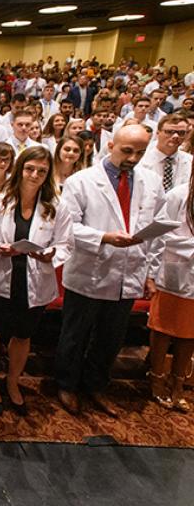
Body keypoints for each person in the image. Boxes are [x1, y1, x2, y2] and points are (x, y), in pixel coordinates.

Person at [56, 125, 166, 417]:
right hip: (90, 269)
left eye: (140, 152)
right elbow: (67, 228)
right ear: (111, 146)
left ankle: (95, 385)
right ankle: (66, 383)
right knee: (75, 333)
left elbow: (158, 230)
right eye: (127, 150)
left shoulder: (151, 182)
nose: (133, 158)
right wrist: (103, 237)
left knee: (111, 336)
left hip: (129, 269)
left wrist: (151, 272)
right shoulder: (81, 181)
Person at [0, 147, 73, 415]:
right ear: (19, 169)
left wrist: (51, 255)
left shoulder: (56, 207)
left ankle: (12, 382)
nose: (35, 175)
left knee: (23, 334)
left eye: (42, 171)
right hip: (1, 275)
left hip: (34, 278)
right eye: (30, 168)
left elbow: (66, 244)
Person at [147, 167, 194, 411]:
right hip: (175, 266)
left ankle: (178, 384)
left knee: (190, 333)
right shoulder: (179, 194)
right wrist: (151, 274)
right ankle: (156, 378)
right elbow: (160, 234)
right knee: (164, 328)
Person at [138, 113, 192, 193]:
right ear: (158, 133)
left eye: (181, 133)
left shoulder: (191, 161)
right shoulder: (141, 160)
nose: (175, 136)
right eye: (169, 132)